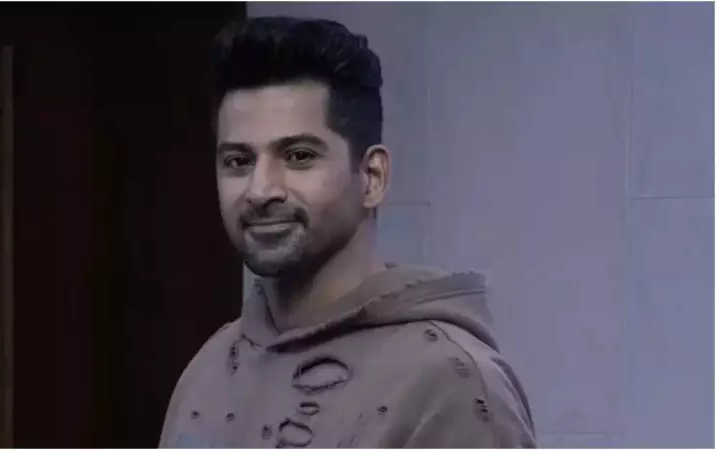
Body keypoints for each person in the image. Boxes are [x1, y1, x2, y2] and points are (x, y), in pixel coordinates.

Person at [160, 17, 536, 448]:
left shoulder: (447, 384)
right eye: (238, 161)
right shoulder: (209, 369)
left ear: (372, 177)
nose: (260, 190)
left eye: (299, 155)